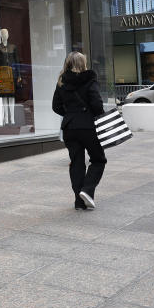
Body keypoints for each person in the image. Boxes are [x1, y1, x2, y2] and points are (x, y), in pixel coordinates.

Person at [51, 52, 107, 210]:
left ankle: (79, 201)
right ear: (83, 63)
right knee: (98, 160)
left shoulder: (62, 81)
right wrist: (93, 115)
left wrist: (70, 115)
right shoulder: (90, 78)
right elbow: (97, 104)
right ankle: (87, 190)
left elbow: (56, 106)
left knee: (76, 163)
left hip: (70, 128)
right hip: (88, 126)